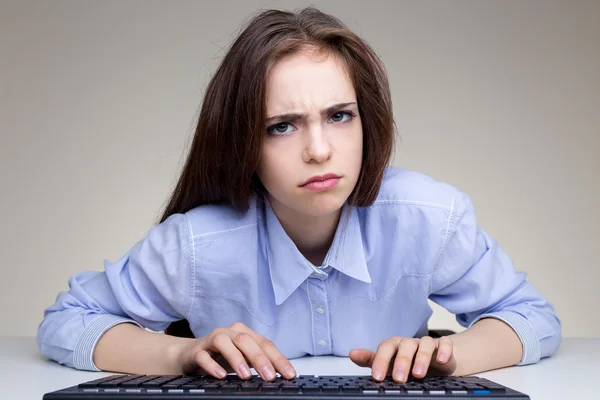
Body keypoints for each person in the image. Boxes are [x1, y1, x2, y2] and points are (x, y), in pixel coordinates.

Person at [37, 7, 561, 384]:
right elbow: (67, 322)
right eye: (282, 127)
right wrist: (182, 354)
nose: (318, 150)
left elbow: (531, 316)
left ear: (367, 122)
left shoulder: (428, 217)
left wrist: (448, 356)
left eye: (339, 116)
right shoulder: (196, 244)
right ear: (242, 141)